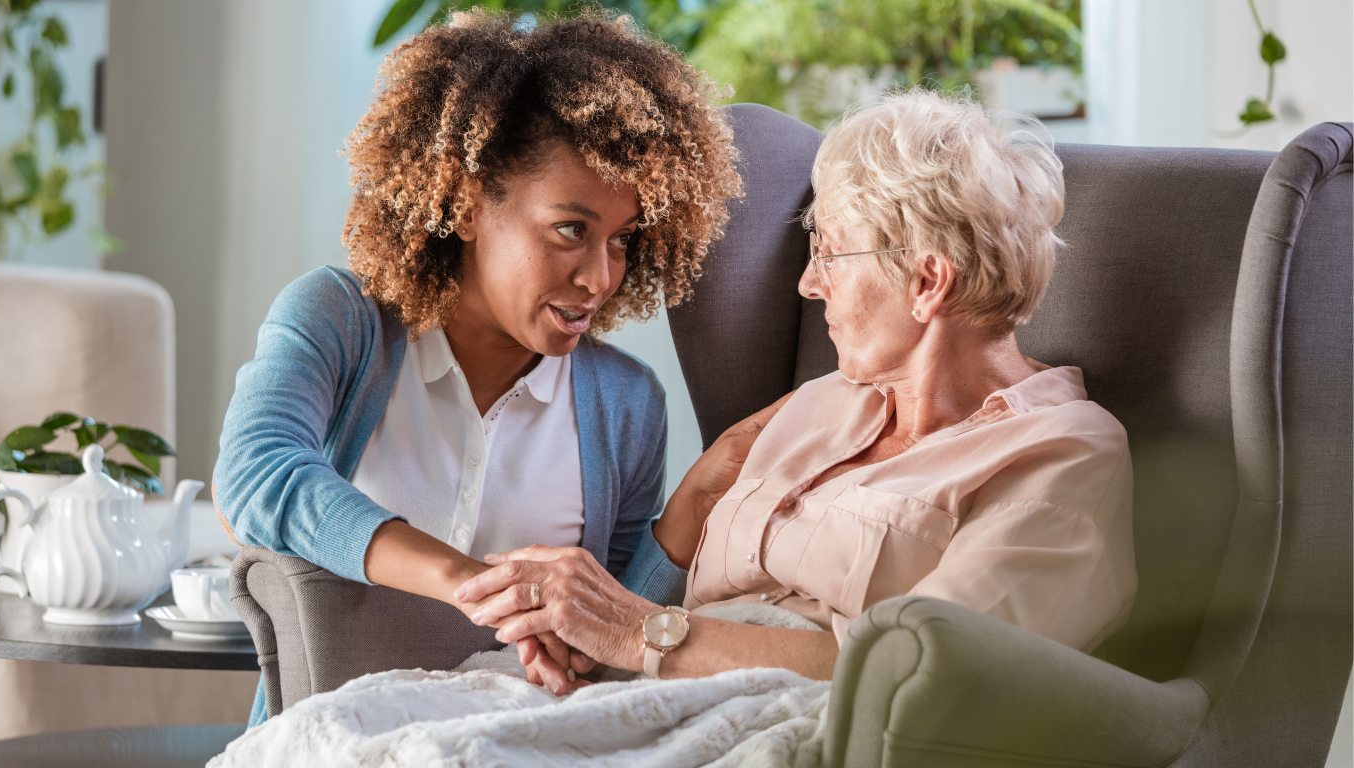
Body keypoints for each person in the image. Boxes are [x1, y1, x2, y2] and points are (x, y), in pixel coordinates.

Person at [459, 88, 1138, 684]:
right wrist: (586, 638)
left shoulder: (1063, 455)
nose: (809, 285)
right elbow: (661, 617)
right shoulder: (821, 401)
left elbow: (926, 671)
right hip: (653, 689)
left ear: (927, 282)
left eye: (829, 253)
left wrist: (637, 635)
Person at [212, 9, 741, 725]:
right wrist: (478, 584)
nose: (599, 277)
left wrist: (696, 499)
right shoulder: (338, 321)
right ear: (465, 204)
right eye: (570, 230)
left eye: (623, 240)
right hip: (323, 742)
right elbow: (256, 474)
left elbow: (607, 649)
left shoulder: (627, 403)